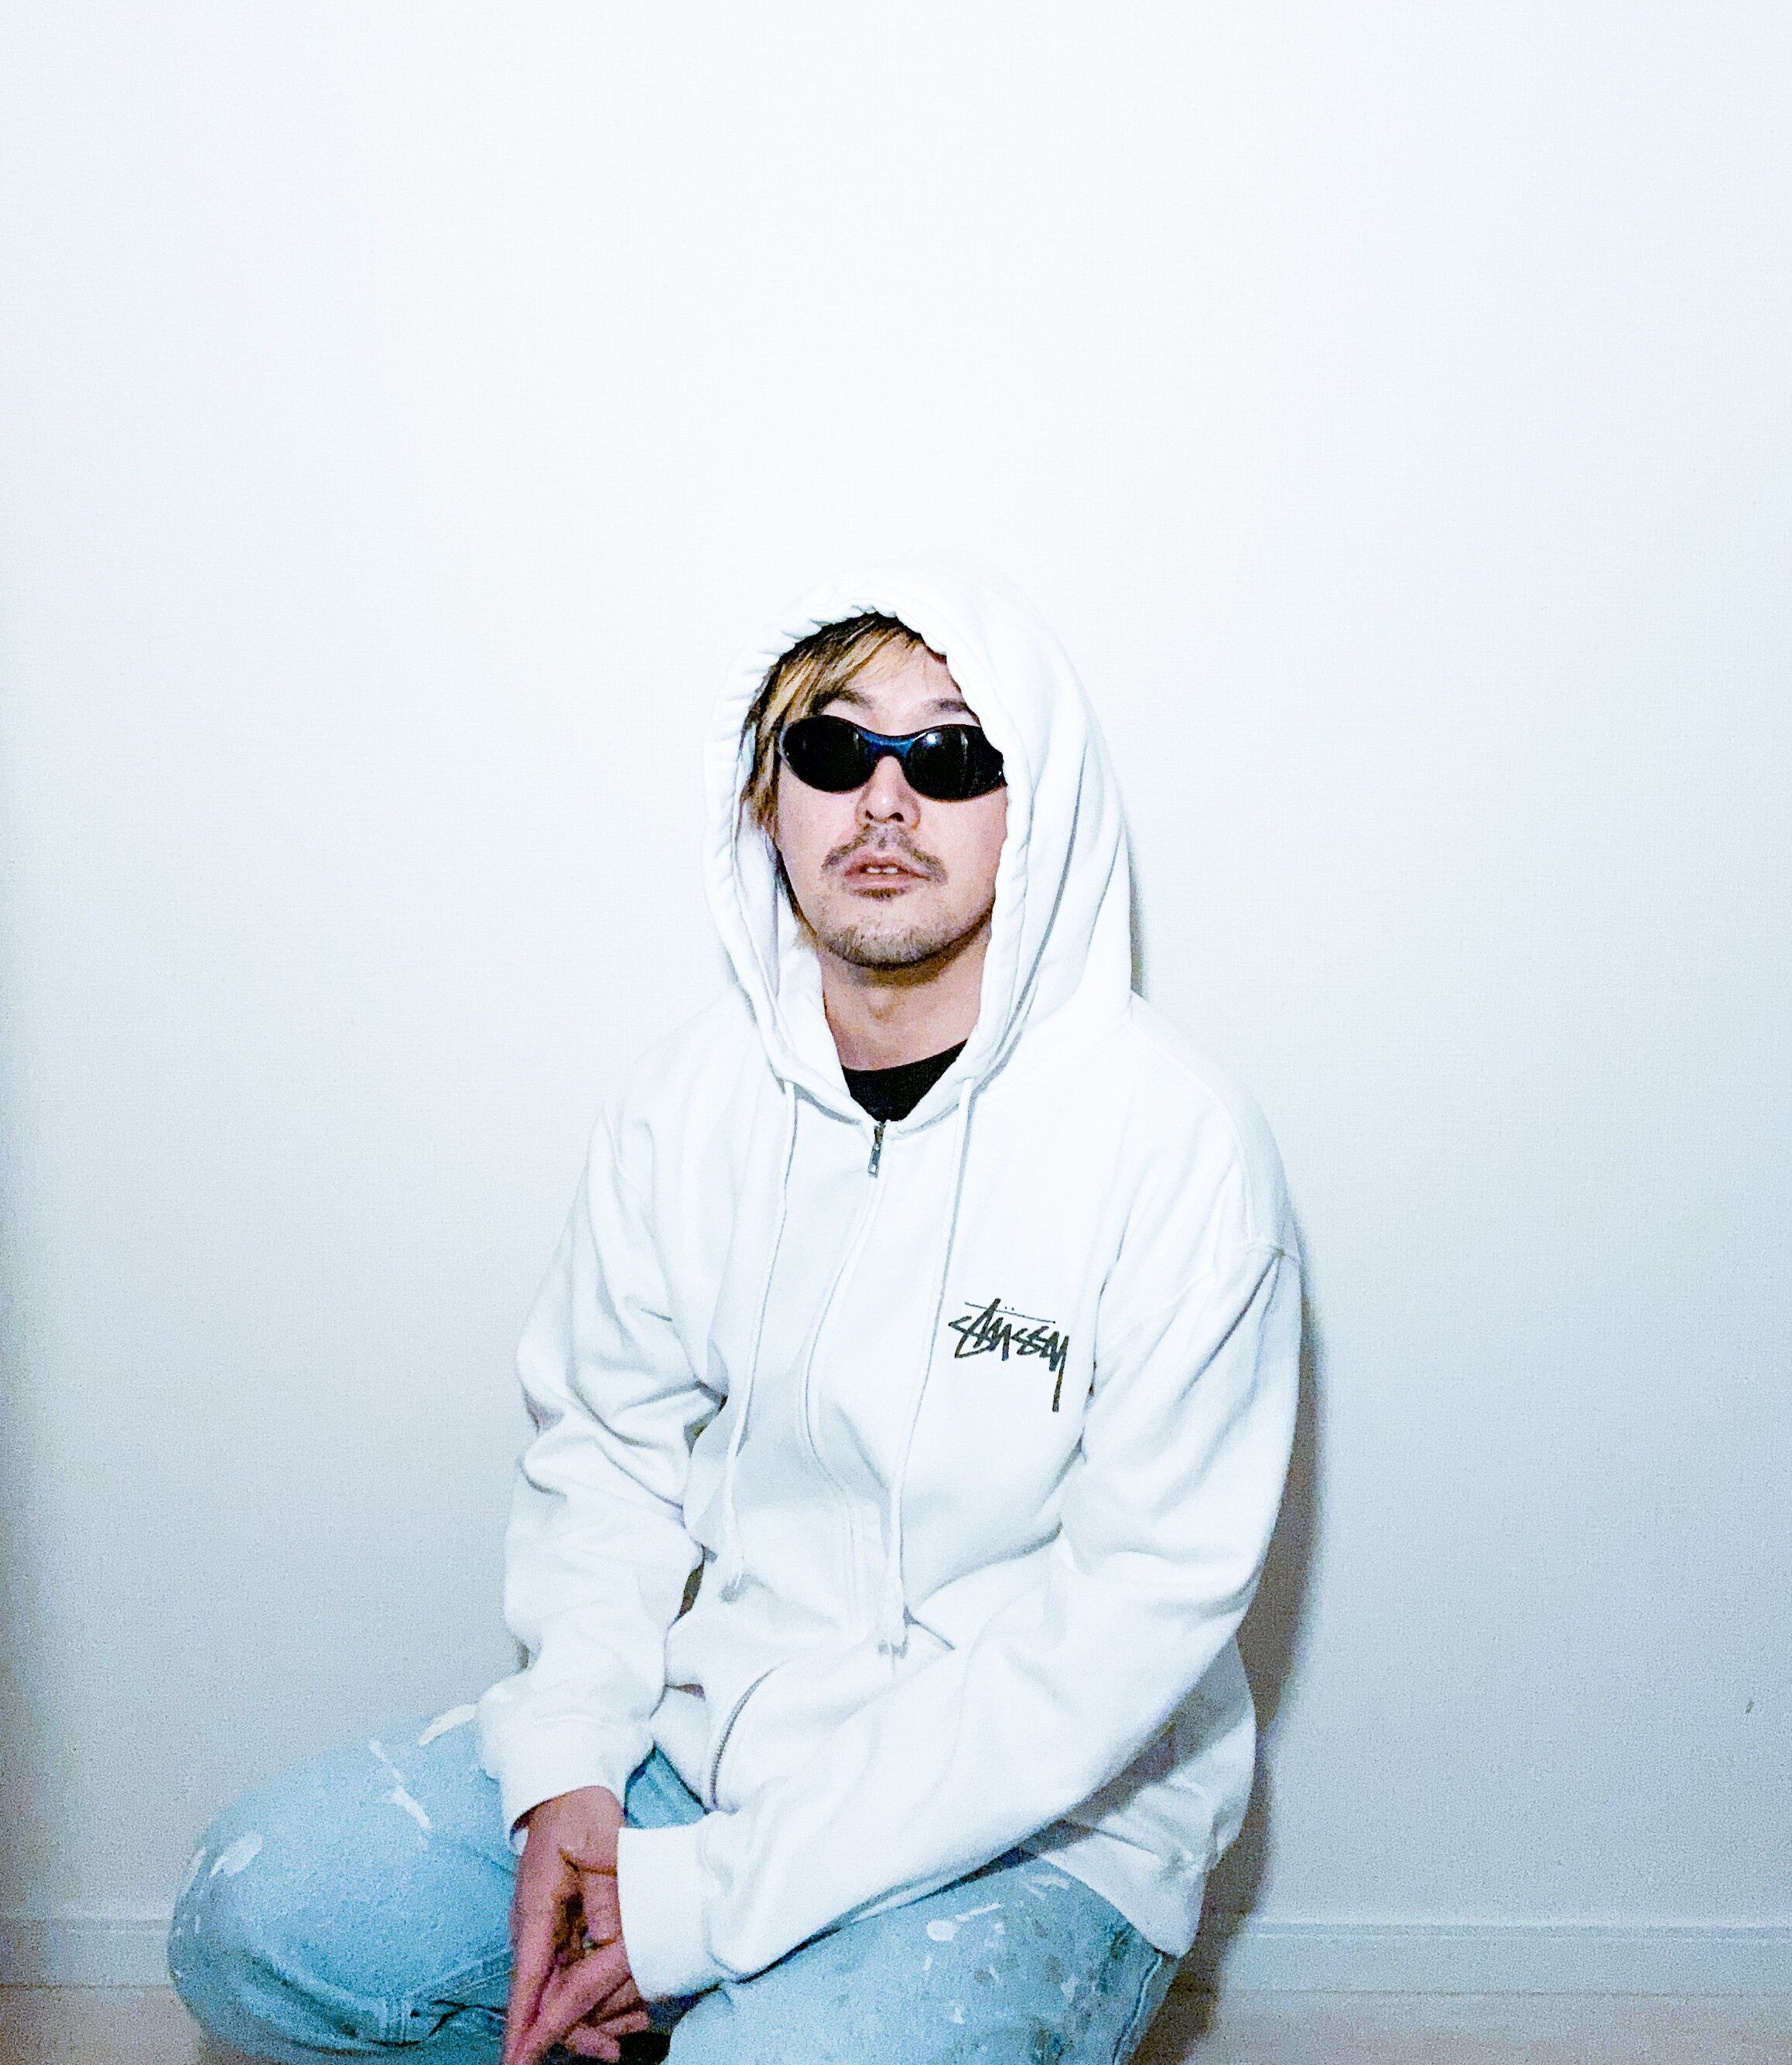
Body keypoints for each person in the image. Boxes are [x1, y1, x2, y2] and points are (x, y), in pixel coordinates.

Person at [169, 563, 1302, 2065]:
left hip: (1047, 1828)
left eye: (951, 754)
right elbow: (606, 1461)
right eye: (833, 748)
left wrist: (700, 1910)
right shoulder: (686, 1107)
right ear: (768, 800)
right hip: (720, 1746)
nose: (884, 799)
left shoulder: (1177, 1151)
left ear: (1036, 808)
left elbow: (1115, 1634)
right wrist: (571, 1770)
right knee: (251, 1915)